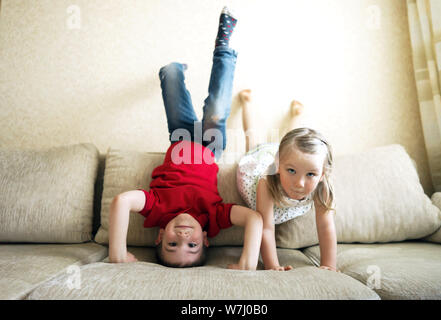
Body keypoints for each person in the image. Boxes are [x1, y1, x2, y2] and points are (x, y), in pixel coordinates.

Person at [108, 7, 263, 269]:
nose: (183, 237)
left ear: (159, 236)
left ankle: (176, 69)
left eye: (172, 244)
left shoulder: (156, 209)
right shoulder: (212, 218)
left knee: (169, 72)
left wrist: (117, 253)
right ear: (205, 239)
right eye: (192, 245)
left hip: (180, 139)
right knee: (215, 112)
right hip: (210, 147)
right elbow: (255, 220)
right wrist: (247, 262)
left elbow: (121, 201)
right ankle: (224, 46)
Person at [236, 89, 338, 272]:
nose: (299, 183)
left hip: (285, 156)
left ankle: (295, 115)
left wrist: (329, 265)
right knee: (253, 140)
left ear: (322, 174)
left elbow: (326, 227)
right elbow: (266, 228)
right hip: (260, 160)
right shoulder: (265, 183)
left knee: (293, 146)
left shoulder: (323, 188)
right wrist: (272, 265)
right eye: (291, 171)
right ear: (278, 165)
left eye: (311, 175)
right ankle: (246, 102)